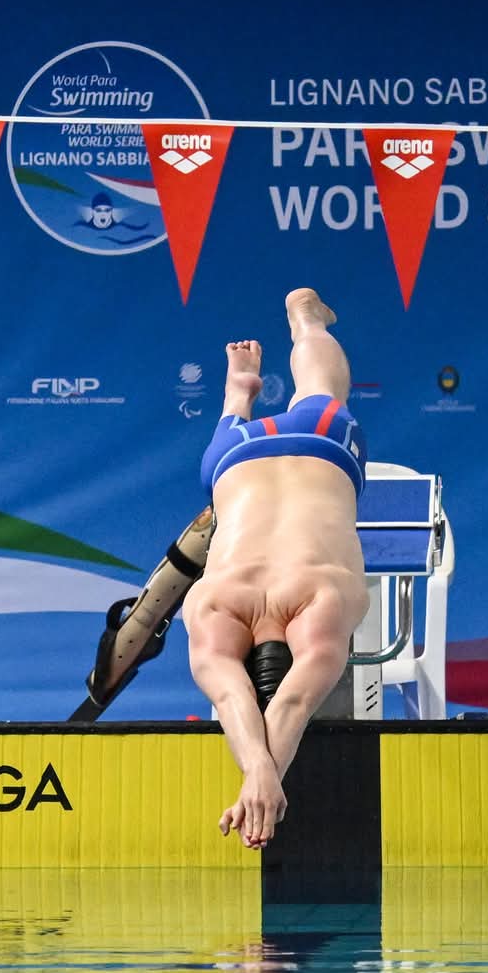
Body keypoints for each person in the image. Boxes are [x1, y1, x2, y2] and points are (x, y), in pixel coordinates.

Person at [181, 288, 369, 850]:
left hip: (319, 443)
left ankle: (308, 325)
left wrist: (262, 774)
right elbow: (237, 699)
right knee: (228, 462)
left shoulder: (324, 604)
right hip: (233, 453)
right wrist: (260, 773)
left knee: (321, 389)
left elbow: (293, 703)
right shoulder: (211, 606)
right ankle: (237, 393)